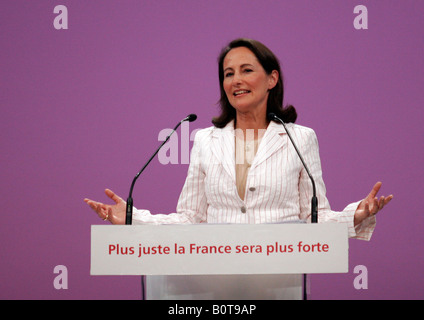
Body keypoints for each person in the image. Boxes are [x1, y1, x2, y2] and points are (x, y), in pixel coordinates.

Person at [84, 38, 393, 240]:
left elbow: (314, 217)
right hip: (218, 274)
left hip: (281, 273)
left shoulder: (300, 138)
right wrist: (132, 219)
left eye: (247, 70)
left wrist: (356, 215)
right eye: (228, 73)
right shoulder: (206, 140)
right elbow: (191, 219)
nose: (236, 80)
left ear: (271, 79)